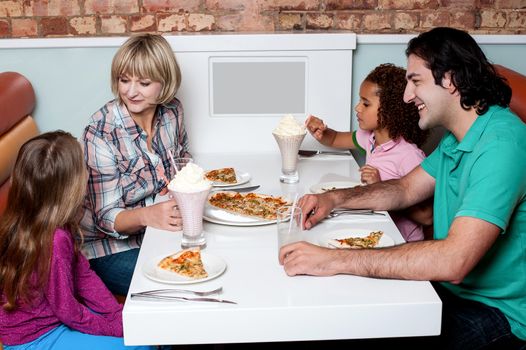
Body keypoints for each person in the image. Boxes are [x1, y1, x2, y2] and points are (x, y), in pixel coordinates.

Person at [280, 27, 526, 349]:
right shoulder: (459, 137)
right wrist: (334, 199)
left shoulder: (501, 145)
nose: (408, 96)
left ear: (449, 79)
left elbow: (454, 261)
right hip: (448, 290)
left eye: (416, 81)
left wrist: (332, 259)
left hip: (498, 313)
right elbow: (405, 189)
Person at [0, 131, 152, 350]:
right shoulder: (54, 240)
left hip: (56, 322)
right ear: (70, 188)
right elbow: (68, 311)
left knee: (144, 331)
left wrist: (117, 315)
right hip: (36, 339)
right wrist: (118, 329)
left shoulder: (51, 223)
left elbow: (83, 275)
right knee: (140, 345)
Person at [81, 33, 190, 295]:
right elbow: (105, 218)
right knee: (180, 286)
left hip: (162, 230)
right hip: (109, 249)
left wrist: (178, 186)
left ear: (164, 83)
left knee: (212, 262)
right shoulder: (100, 132)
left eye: (143, 82)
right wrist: (149, 215)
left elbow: (183, 159)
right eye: (124, 80)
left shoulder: (173, 111)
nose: (131, 91)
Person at [305, 63, 431, 242]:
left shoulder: (408, 155)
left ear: (390, 111)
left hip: (401, 241)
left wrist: (382, 187)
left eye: (365, 103)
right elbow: (334, 139)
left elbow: (426, 216)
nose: (357, 108)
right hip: (376, 231)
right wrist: (321, 132)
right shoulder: (369, 138)